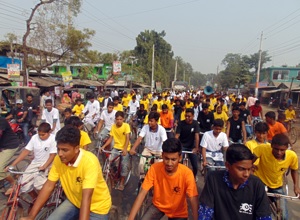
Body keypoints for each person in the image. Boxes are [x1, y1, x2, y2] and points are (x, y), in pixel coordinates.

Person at [20, 125, 111, 220]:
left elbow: (86, 198)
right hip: (74, 201)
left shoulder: (90, 162)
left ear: (76, 148)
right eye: (58, 149)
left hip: (97, 208)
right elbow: (48, 186)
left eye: (65, 150)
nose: (60, 154)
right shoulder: (58, 160)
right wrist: (31, 216)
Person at [128, 138, 198, 220]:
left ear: (180, 158)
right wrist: (130, 218)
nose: (169, 163)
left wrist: (196, 218)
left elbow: (193, 198)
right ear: (162, 155)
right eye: (166, 158)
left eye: (173, 159)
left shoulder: (187, 173)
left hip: (178, 211)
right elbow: (142, 193)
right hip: (158, 206)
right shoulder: (154, 168)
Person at [199, 144, 271, 220]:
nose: (246, 174)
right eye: (241, 169)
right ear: (227, 166)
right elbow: (205, 212)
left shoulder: (256, 184)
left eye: (249, 169)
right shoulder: (213, 179)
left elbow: (264, 216)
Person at [253, 134, 300, 219]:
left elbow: (294, 170)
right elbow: (249, 161)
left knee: (284, 216)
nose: (279, 152)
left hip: (277, 184)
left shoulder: (292, 156)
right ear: (271, 145)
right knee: (263, 213)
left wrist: (296, 187)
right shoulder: (262, 149)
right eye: (276, 149)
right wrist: (251, 167)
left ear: (287, 147)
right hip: (260, 183)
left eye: (282, 150)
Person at [5, 122, 56, 199]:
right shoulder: (34, 137)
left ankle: (43, 201)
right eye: (39, 134)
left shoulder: (53, 139)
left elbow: (52, 155)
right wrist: (12, 164)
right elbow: (26, 151)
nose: (41, 136)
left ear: (49, 132)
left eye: (43, 135)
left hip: (48, 163)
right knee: (24, 184)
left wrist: (44, 166)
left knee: (38, 184)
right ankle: (35, 199)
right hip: (35, 163)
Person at [100, 111, 131, 191]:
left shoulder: (126, 126)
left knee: (124, 164)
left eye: (121, 119)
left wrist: (125, 149)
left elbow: (127, 138)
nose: (119, 121)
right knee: (110, 161)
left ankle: (122, 182)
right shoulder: (113, 126)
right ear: (115, 119)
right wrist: (103, 146)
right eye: (117, 119)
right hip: (116, 147)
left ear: (123, 119)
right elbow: (110, 138)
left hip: (125, 148)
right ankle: (112, 179)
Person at [175, 108, 200, 178]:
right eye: (186, 116)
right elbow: (177, 135)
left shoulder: (195, 124)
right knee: (178, 162)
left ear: (193, 116)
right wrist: (174, 144)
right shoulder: (181, 123)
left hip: (191, 147)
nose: (187, 118)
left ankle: (193, 177)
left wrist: (196, 148)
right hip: (182, 145)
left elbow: (197, 136)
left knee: (195, 166)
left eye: (189, 116)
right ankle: (178, 176)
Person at [0, 118, 20, 195]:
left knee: (0, 169)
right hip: (2, 146)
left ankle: (14, 183)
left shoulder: (1, 121)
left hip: (10, 146)